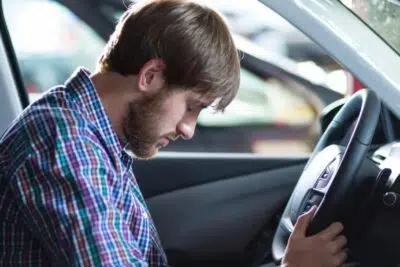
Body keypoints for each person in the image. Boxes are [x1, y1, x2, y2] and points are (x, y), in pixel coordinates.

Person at [0, 0, 347, 266]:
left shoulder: (94, 135)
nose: (188, 129)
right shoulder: (66, 142)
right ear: (150, 76)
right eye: (191, 106)